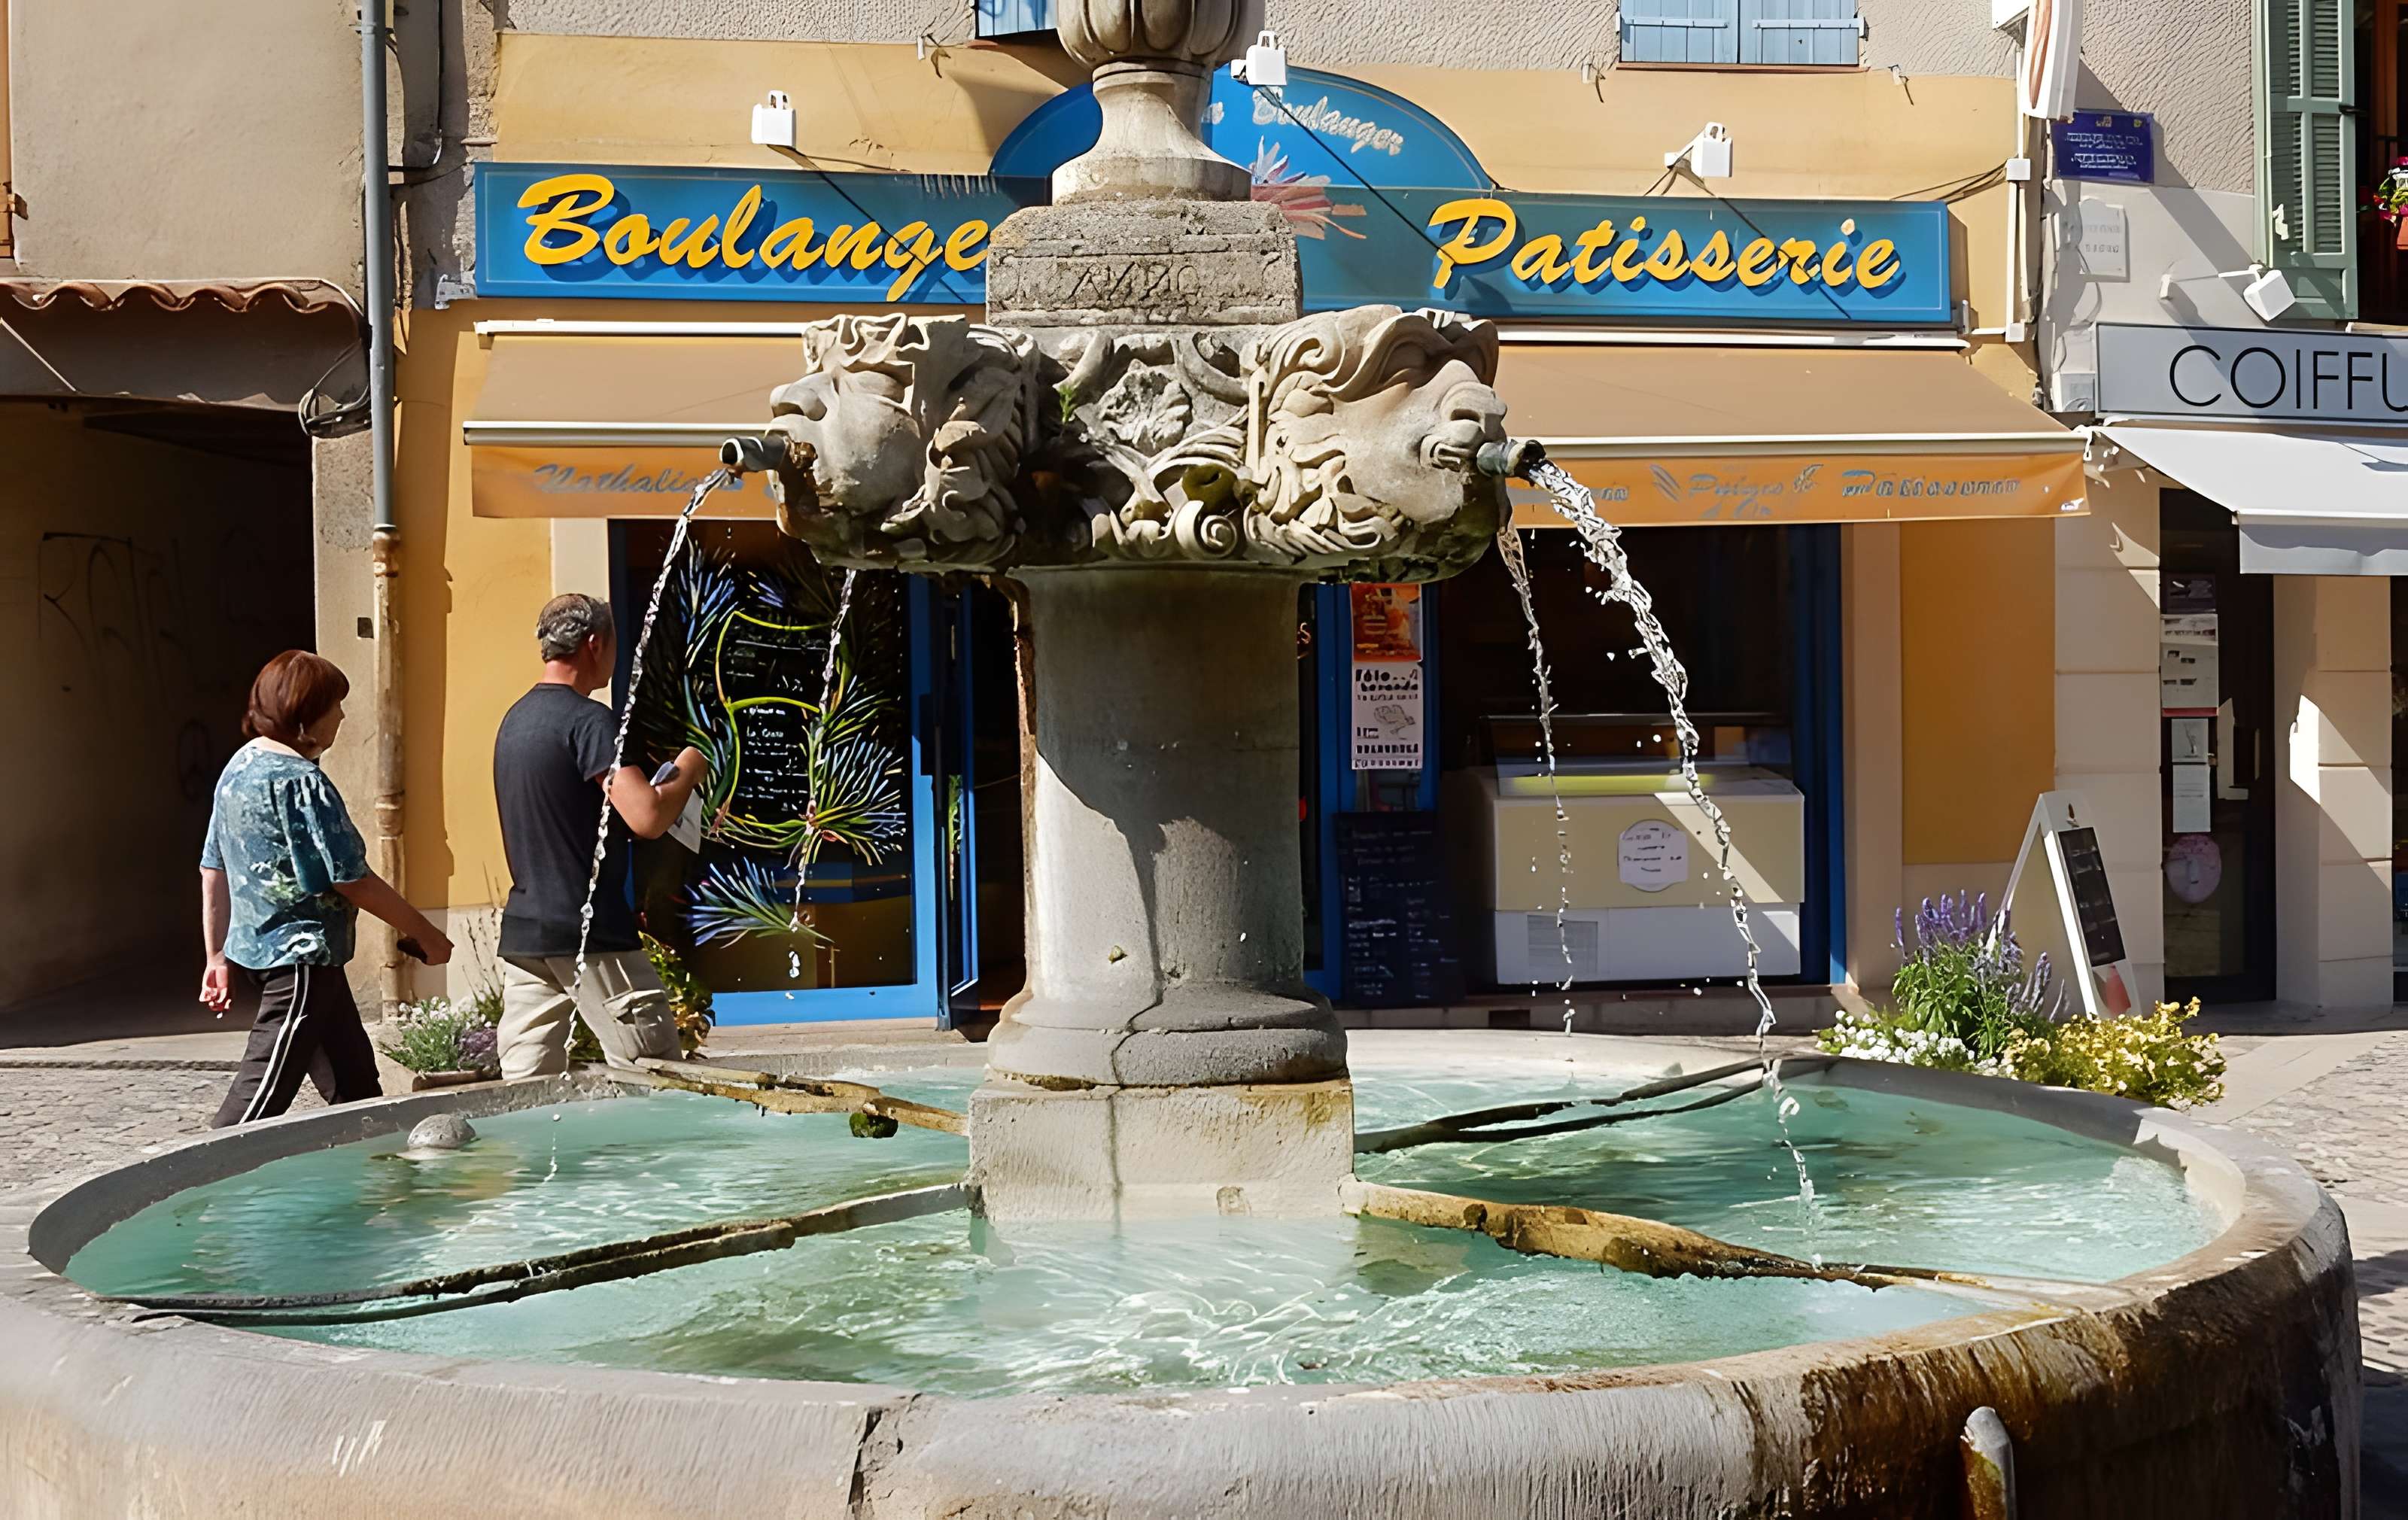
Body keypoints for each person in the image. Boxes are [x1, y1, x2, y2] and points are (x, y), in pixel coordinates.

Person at [201, 650, 453, 1126]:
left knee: (356, 1091)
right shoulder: (302, 781)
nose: (342, 715)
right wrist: (429, 934)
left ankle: (380, 1182)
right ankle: (193, 1191)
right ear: (306, 716)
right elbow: (352, 878)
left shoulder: (238, 768)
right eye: (335, 705)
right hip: (299, 963)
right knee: (254, 1107)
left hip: (295, 960)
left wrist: (215, 957)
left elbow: (211, 866)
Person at [492, 593, 707, 1078]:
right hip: (589, 930)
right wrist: (690, 767)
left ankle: (532, 1158)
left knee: (528, 1089)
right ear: (595, 644)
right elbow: (646, 817)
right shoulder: (588, 720)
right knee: (657, 1078)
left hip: (528, 930)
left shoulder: (516, 719)